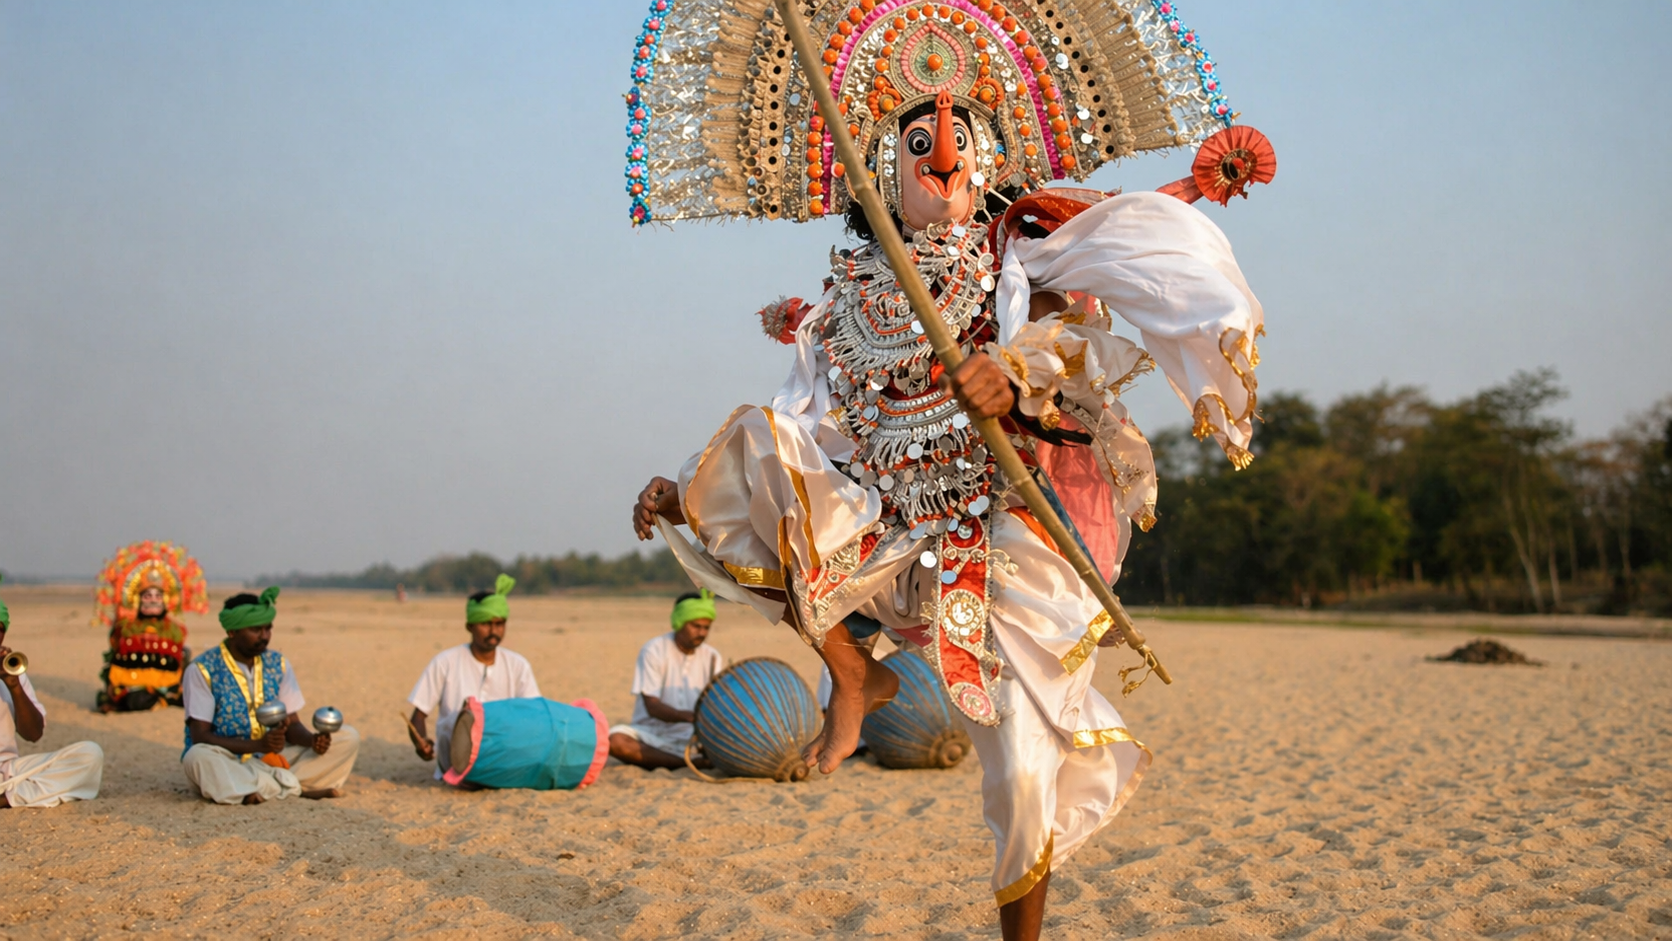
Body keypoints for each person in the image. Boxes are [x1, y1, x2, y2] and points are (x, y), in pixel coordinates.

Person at [623, 2, 1271, 935]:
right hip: (889, 523)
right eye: (918, 140)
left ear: (988, 157)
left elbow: (1075, 335)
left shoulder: (1015, 254)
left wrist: (1011, 373)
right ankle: (854, 672)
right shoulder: (848, 295)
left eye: (959, 138)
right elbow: (809, 417)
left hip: (999, 521)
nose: (943, 157)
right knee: (754, 444)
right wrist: (683, 487)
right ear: (877, 169)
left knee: (1018, 755)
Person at [181, 587, 360, 804]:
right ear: (232, 632)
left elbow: (293, 726)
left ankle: (258, 789)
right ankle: (295, 788)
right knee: (197, 757)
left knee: (348, 737)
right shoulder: (202, 669)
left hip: (274, 759)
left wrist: (313, 741)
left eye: (268, 629)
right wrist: (258, 745)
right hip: (228, 760)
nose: (265, 637)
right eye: (256, 630)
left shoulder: (278, 664)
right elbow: (200, 736)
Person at [405, 574, 541, 777]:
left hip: (502, 757)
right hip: (454, 761)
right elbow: (418, 716)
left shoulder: (518, 665)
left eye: (499, 624)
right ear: (470, 626)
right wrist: (421, 743)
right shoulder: (445, 662)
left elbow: (533, 714)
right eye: (485, 624)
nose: (493, 631)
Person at [0, 575, 104, 808]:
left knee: (89, 755)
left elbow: (33, 734)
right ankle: (23, 796)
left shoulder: (12, 671)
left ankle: (7, 798)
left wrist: (13, 685)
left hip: (7, 771)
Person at [607, 591, 724, 770]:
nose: (701, 632)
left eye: (706, 628)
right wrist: (689, 717)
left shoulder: (712, 657)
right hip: (651, 733)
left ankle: (682, 759)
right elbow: (652, 706)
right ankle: (688, 763)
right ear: (679, 623)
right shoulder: (653, 650)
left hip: (692, 736)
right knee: (616, 741)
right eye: (695, 626)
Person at [94, 540, 209, 712]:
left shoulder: (175, 630)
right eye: (147, 596)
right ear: (137, 599)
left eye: (158, 596)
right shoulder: (126, 627)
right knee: (134, 700)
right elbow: (115, 651)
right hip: (132, 685)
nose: (153, 600)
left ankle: (163, 698)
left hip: (169, 684)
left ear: (166, 600)